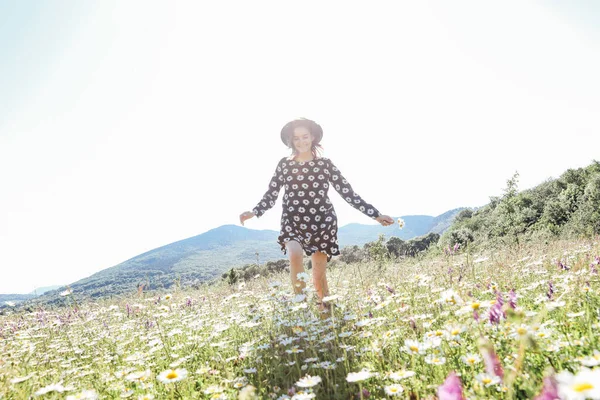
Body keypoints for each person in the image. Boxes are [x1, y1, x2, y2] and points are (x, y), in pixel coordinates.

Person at [239, 118, 394, 312]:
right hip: (293, 220)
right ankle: (301, 307)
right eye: (296, 138)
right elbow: (272, 193)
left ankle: (327, 312)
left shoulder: (325, 165)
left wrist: (376, 215)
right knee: (294, 253)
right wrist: (255, 211)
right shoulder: (284, 165)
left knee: (318, 277)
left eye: (305, 136)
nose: (301, 141)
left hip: (322, 221)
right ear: (291, 141)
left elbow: (348, 193)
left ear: (313, 137)